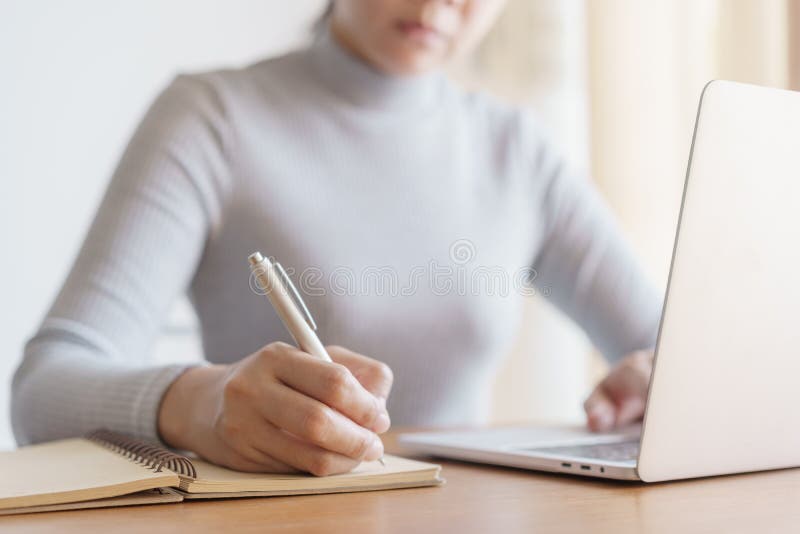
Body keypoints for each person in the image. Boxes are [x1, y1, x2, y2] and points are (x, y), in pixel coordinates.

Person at [11, 0, 661, 476]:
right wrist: (199, 403)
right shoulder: (212, 118)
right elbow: (44, 388)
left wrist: (657, 373)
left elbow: (672, 346)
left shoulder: (517, 150)